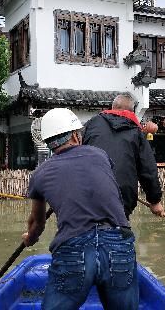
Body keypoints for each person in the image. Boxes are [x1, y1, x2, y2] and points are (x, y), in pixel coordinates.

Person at [22, 108, 138, 310]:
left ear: (49, 143)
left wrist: (29, 238)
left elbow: (37, 224)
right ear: (76, 136)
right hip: (118, 245)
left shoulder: (40, 174)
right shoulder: (101, 156)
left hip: (73, 249)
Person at [83, 93, 164, 219]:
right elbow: (148, 169)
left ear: (112, 107)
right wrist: (155, 201)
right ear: (132, 111)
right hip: (121, 200)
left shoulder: (91, 125)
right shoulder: (136, 132)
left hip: (87, 196)